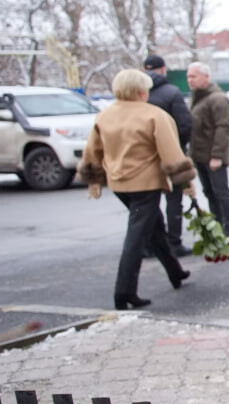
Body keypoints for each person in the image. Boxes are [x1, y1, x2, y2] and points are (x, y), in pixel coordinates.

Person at [77, 69, 195, 310]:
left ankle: (175, 271)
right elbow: (171, 153)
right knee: (137, 236)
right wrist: (185, 183)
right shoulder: (154, 115)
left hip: (119, 184)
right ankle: (124, 291)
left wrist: (94, 181)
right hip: (146, 185)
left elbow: (93, 151)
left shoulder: (105, 115)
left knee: (153, 226)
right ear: (142, 91)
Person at [142, 54, 193, 258]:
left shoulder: (138, 94)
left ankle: (151, 244)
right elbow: (185, 124)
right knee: (174, 200)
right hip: (171, 155)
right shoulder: (171, 92)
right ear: (163, 70)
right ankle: (174, 243)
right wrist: (177, 146)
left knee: (149, 203)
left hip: (146, 157)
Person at [186, 62, 229, 244]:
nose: (190, 80)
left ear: (206, 77)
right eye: (188, 77)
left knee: (221, 193)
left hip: (213, 157)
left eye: (193, 76)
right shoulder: (196, 98)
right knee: (209, 193)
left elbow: (223, 128)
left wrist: (217, 156)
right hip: (199, 155)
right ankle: (218, 229)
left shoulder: (217, 98)